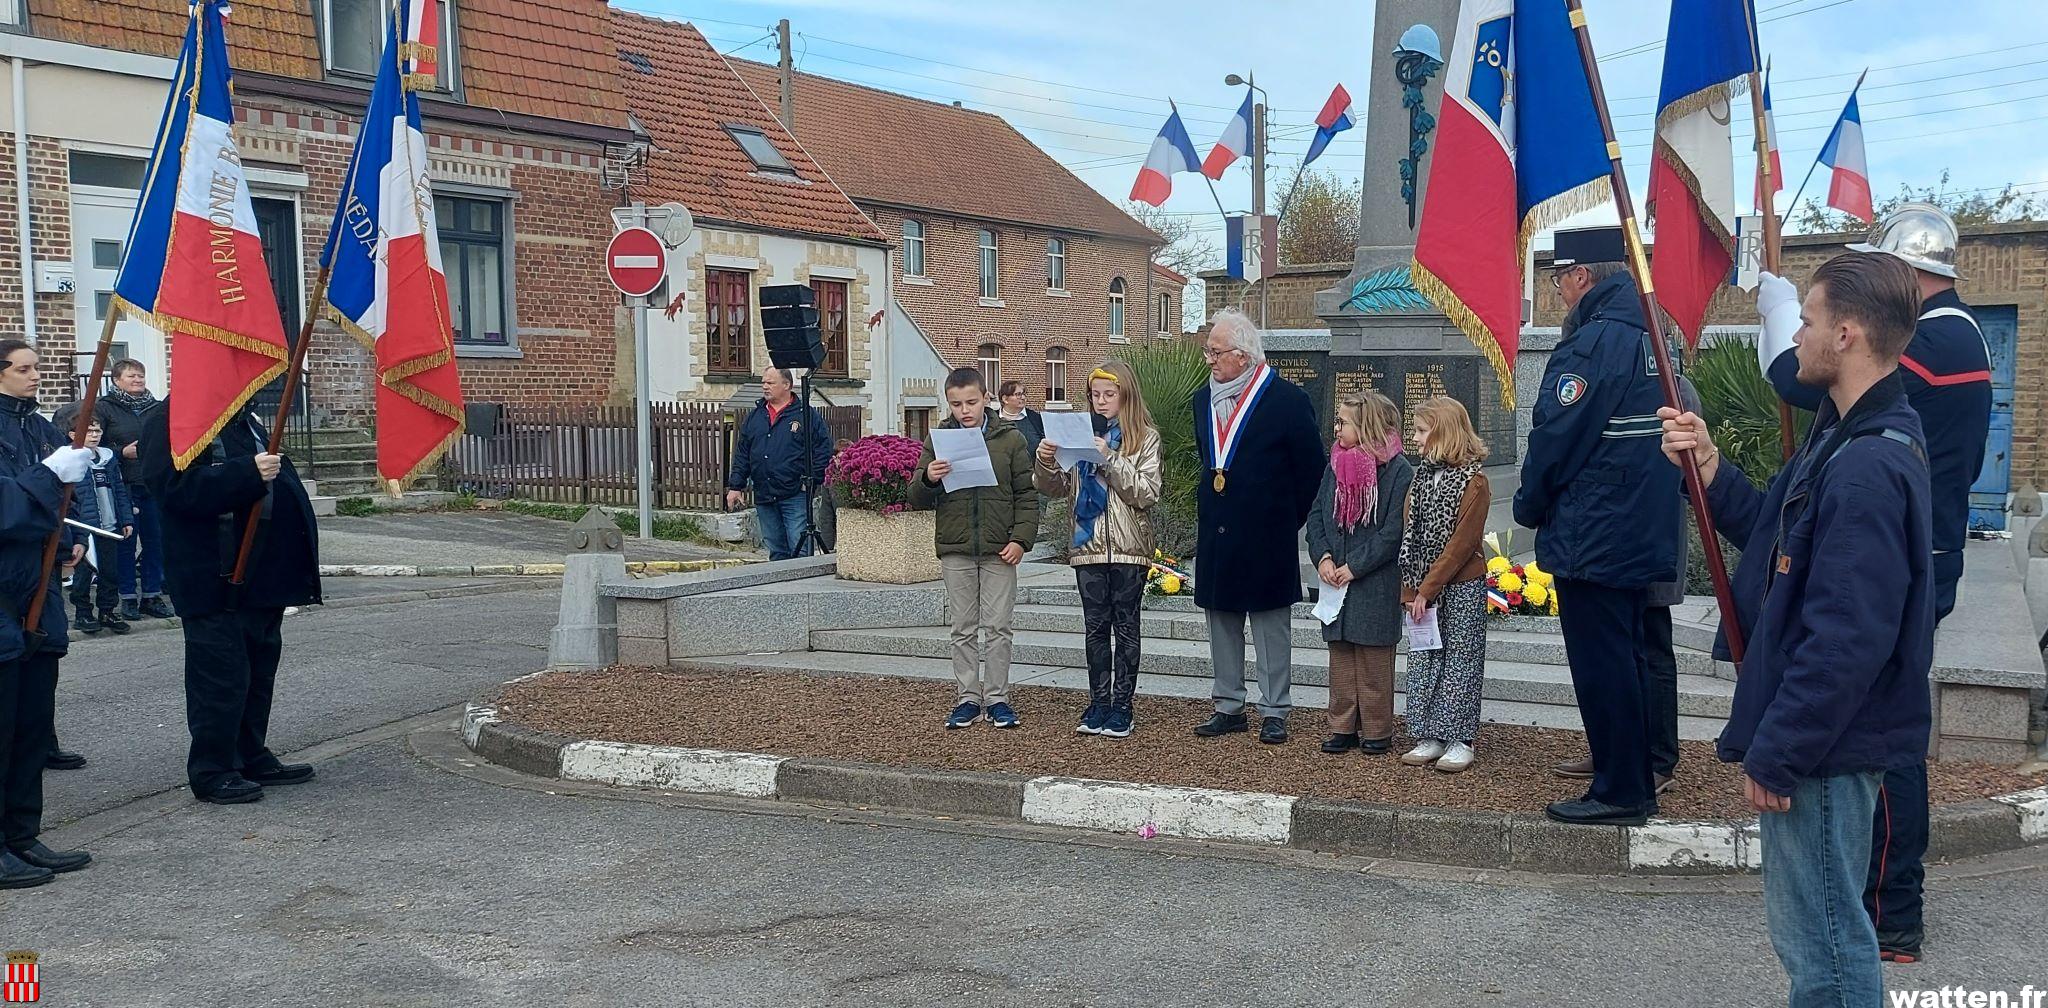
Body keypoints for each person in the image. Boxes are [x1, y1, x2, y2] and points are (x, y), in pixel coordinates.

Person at [1662, 251, 1934, 1006]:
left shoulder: (1868, 467)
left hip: (1826, 748)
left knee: (1825, 950)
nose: (1798, 338)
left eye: (1807, 322)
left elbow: (1848, 638)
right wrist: (1711, 468)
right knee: (1820, 937)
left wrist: (1779, 752)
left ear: (1846, 334)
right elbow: (1779, 540)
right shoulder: (1839, 438)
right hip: (1825, 740)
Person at [1759, 204, 1989, 965]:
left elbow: (1804, 381)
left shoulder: (1942, 333)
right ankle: (1873, 905)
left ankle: (1892, 904)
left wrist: (1779, 326)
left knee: (1881, 736)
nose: (1804, 330)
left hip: (1895, 549)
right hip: (1902, 542)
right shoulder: (1939, 337)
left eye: (1815, 318)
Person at [1515, 225, 1683, 826]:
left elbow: (1556, 439)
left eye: (1559, 279)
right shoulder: (1655, 336)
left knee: (1603, 662)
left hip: (1596, 533)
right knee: (1632, 655)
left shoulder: (1595, 343)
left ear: (1581, 276)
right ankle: (1632, 774)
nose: (1560, 291)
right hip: (1639, 526)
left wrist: (1529, 508)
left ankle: (1621, 790)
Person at [142, 397, 321, 805]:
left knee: (257, 672)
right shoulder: (173, 419)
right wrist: (246, 473)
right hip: (213, 575)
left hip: (260, 579)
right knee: (219, 679)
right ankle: (213, 768)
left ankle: (251, 754)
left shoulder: (243, 420)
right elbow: (173, 489)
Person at [1554, 374, 1702, 794]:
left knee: (1652, 648)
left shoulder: (1674, 385)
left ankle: (1658, 758)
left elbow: (1680, 461)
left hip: (1650, 531)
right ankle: (1613, 751)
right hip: (1617, 535)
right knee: (1618, 651)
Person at [1189, 308, 1325, 745]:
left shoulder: (1287, 400)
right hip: (1219, 530)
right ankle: (1228, 704)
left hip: (1268, 532)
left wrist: (1287, 519)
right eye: (1207, 351)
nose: (1208, 359)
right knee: (1222, 618)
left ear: (1243, 356)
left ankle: (1274, 708)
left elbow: (1311, 473)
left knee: (1269, 624)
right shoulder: (1201, 400)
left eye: (1216, 351)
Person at [0, 339, 94, 887]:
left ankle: (21, 833)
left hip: (39, 588)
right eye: (23, 368)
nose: (36, 375)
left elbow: (66, 498)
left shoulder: (38, 428)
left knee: (33, 724)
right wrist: (47, 478)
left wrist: (68, 542)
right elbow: (8, 508)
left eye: (37, 367)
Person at [1034, 362, 1160, 738]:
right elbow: (1054, 487)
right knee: (1094, 629)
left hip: (1128, 546)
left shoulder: (1145, 438)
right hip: (1087, 545)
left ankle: (1123, 706)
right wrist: (1044, 460)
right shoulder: (1079, 434)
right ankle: (1098, 702)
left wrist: (1112, 458)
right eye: (1095, 395)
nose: (1101, 402)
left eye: (1110, 395)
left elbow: (1147, 493)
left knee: (1126, 628)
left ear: (1126, 396)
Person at [910, 367, 1038, 730]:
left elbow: (1027, 496)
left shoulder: (1010, 439)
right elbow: (916, 497)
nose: (964, 410)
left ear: (986, 399)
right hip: (956, 545)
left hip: (1000, 547)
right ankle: (968, 697)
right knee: (963, 627)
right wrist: (928, 477)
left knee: (998, 627)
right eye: (955, 404)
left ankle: (997, 698)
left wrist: (1020, 540)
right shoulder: (939, 439)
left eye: (970, 402)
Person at [1304, 391, 1411, 756]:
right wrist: (1324, 557)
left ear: (1366, 425)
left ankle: (1378, 729)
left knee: (1373, 657)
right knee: (1342, 656)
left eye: (1342, 422)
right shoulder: (1334, 464)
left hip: (1373, 580)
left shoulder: (1399, 471)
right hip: (1336, 576)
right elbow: (1317, 514)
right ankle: (1342, 726)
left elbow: (1393, 532)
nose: (1335, 428)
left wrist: (1355, 566)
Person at [1398, 397, 1491, 772]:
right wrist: (1410, 591)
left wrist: (1426, 590)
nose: (1415, 439)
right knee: (1426, 657)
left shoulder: (1475, 481)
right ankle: (1429, 734)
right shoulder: (1420, 477)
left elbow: (1461, 545)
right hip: (1422, 587)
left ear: (1444, 434)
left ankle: (1459, 738)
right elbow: (1409, 535)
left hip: (1461, 586)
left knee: (1460, 660)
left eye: (1421, 431)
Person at [59, 360, 171, 623]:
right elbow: (95, 444)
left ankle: (152, 595)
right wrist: (123, 453)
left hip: (151, 483)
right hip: (122, 484)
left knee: (155, 542)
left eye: (141, 375)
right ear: (117, 380)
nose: (138, 380)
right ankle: (127, 597)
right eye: (132, 375)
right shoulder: (105, 409)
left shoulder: (156, 407)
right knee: (124, 545)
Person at [726, 366, 834, 562]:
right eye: (763, 383)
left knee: (799, 550)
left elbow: (823, 450)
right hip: (765, 493)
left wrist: (811, 482)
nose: (765, 387)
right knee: (776, 550)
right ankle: (779, 591)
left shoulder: (805, 416)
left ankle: (803, 590)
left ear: (786, 385)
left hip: (795, 494)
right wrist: (736, 486)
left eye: (770, 383)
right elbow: (743, 453)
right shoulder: (756, 416)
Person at [65, 418, 134, 638]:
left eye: (97, 431)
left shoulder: (108, 458)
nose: (94, 435)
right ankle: (83, 612)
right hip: (85, 529)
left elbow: (120, 490)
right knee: (85, 573)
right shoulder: (69, 459)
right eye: (88, 431)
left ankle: (107, 611)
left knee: (110, 572)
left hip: (109, 525)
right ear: (72, 435)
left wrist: (126, 519)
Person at [996, 380, 1046, 454]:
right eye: (1018, 394)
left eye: (1024, 394)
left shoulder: (1036, 419)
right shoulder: (992, 419)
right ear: (1005, 399)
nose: (1023, 397)